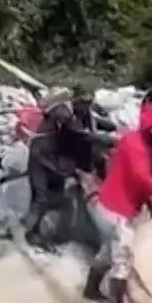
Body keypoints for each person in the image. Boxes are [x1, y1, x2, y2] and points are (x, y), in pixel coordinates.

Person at [85, 121, 152, 303]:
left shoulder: (131, 140)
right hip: (118, 212)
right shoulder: (141, 153)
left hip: (105, 206)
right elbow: (142, 179)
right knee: (122, 262)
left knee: (107, 252)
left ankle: (90, 290)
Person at [21, 88, 101, 249]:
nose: (86, 107)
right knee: (41, 198)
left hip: (55, 162)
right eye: (84, 103)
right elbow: (82, 136)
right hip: (40, 158)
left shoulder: (81, 115)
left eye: (89, 104)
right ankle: (28, 234)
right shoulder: (64, 114)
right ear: (76, 101)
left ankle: (49, 236)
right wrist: (112, 140)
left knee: (58, 198)